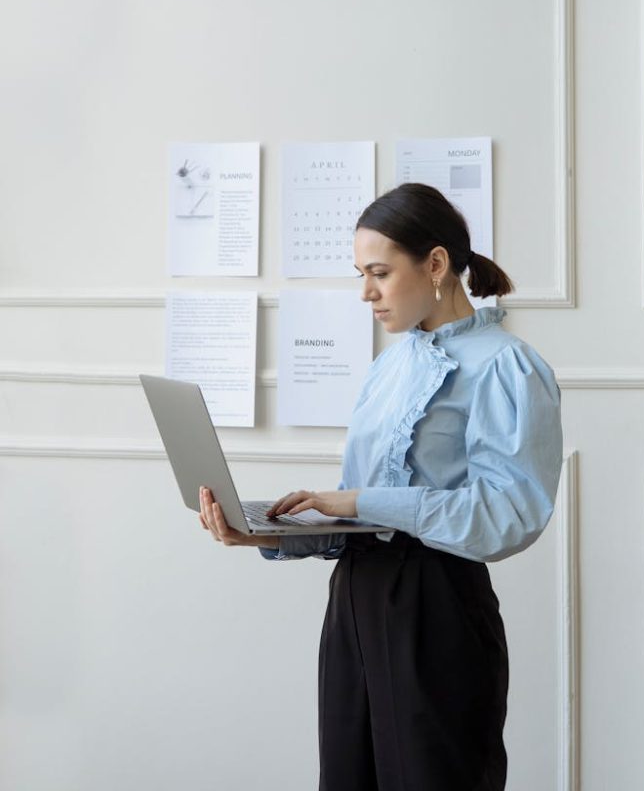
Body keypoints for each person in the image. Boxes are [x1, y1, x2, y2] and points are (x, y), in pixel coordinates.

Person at [199, 182, 563, 791]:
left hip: (438, 608)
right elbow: (358, 517)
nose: (365, 292)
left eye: (379, 273)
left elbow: (510, 512)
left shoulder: (508, 366)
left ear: (437, 265)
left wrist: (362, 500)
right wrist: (266, 532)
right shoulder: (390, 366)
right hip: (354, 605)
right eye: (360, 274)